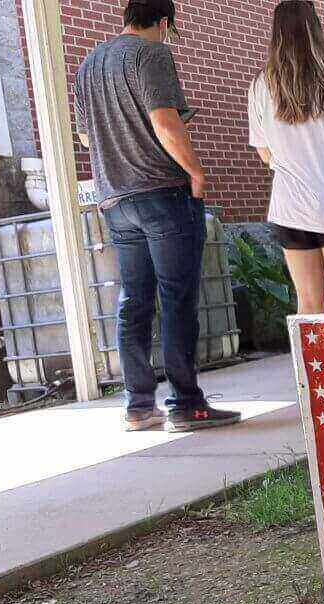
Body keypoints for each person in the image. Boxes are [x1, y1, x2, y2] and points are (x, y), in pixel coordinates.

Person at [75, 0, 239, 433]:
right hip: (162, 193)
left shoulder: (89, 64)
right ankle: (186, 404)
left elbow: (85, 134)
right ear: (163, 21)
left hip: (116, 200)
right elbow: (164, 121)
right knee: (177, 299)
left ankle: (138, 407)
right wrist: (196, 171)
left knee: (134, 301)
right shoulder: (152, 54)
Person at [248, 0, 324, 315]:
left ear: (277, 34)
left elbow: (264, 152)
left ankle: (306, 367)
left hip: (291, 205)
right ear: (316, 29)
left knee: (308, 303)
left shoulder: (261, 85)